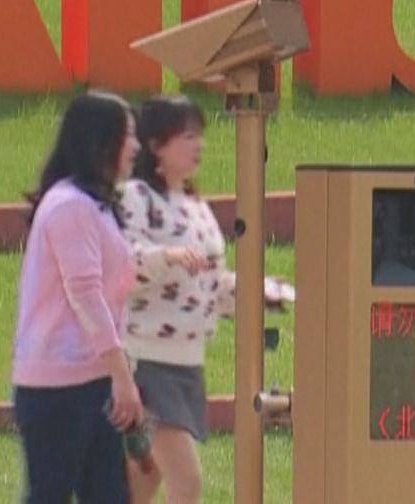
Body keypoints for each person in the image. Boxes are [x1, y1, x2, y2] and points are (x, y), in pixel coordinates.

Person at [119, 95, 289, 504]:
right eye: (187, 136)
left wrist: (256, 292)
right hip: (147, 364)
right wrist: (167, 257)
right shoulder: (135, 197)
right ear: (156, 145)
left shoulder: (196, 206)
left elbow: (209, 283)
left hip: (187, 363)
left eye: (200, 135)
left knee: (143, 479)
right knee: (186, 480)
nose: (199, 145)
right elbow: (121, 264)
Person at [13, 92, 145, 504]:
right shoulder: (70, 206)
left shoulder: (96, 205)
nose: (136, 147)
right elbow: (85, 295)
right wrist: (122, 375)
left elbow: (116, 278)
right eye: (128, 136)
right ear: (100, 142)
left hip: (93, 380)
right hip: (59, 388)